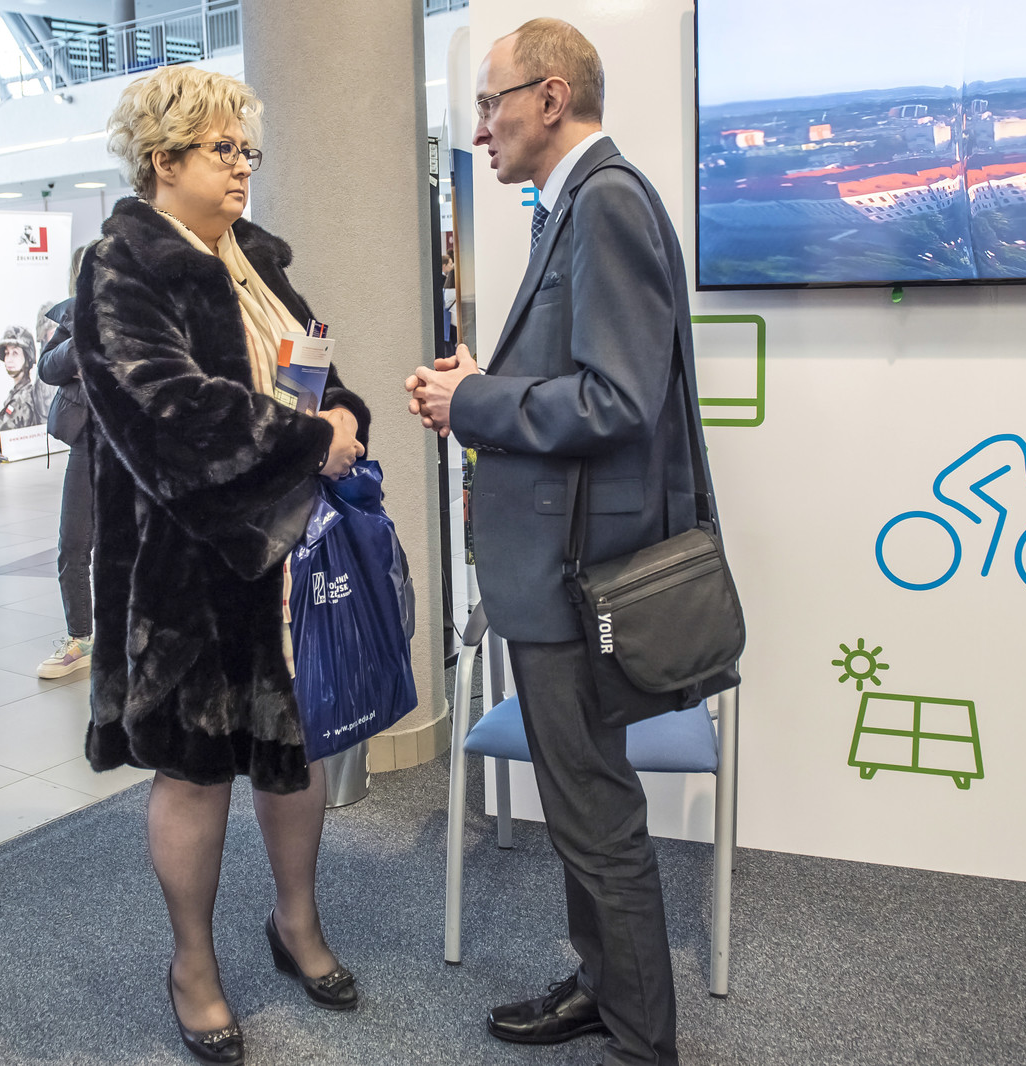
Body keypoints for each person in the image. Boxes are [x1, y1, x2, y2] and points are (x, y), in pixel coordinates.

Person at [407, 18, 705, 1066]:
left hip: (576, 580)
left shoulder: (605, 201)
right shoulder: (577, 202)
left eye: (490, 103)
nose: (479, 128)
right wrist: (481, 388)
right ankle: (604, 987)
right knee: (584, 806)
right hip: (562, 571)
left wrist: (474, 401)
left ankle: (641, 1039)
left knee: (594, 812)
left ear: (549, 97)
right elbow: (581, 379)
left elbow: (617, 399)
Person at [73, 64, 369, 1066]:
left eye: (249, 150)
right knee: (194, 770)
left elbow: (324, 376)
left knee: (292, 752)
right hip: (182, 573)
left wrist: (344, 419)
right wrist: (314, 439)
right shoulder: (121, 267)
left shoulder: (255, 262)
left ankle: (295, 923)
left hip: (286, 556)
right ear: (163, 160)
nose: (244, 166)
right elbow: (170, 412)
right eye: (223, 149)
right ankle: (192, 966)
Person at [33, 243, 99, 679]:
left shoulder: (145, 312)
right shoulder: (73, 316)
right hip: (87, 444)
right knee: (74, 544)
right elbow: (46, 368)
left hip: (136, 445)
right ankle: (80, 639)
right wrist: (81, 346)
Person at [0, 325, 52, 431]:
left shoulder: (24, 398)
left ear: (27, 357)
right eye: (7, 353)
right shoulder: (16, 394)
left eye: (15, 353)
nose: (9, 359)